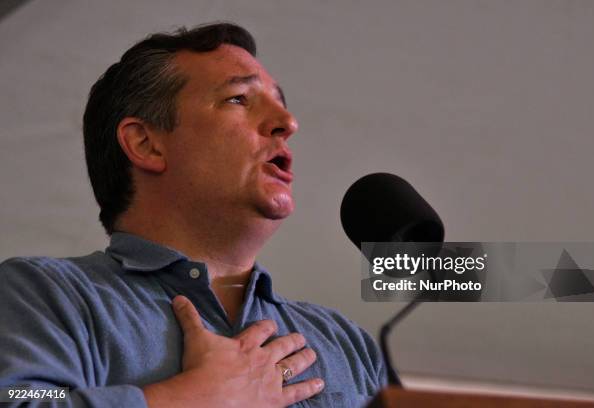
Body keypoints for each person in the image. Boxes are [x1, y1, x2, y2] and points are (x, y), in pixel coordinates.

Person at [0, 23, 387, 407]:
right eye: (238, 98)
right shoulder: (44, 295)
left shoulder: (347, 345)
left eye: (281, 103)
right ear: (146, 143)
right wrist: (188, 400)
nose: (288, 123)